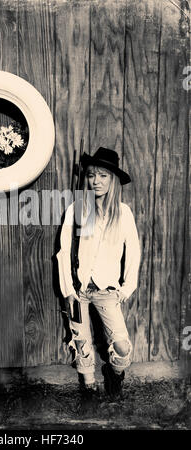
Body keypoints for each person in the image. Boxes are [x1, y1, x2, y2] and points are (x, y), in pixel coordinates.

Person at [57, 147, 141, 397]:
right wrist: (68, 291)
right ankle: (89, 388)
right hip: (78, 290)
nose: (96, 181)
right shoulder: (79, 208)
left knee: (123, 346)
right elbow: (63, 251)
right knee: (81, 343)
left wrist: (126, 289)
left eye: (103, 176)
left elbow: (133, 252)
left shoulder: (123, 212)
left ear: (113, 180)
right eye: (92, 175)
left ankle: (114, 374)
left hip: (107, 291)